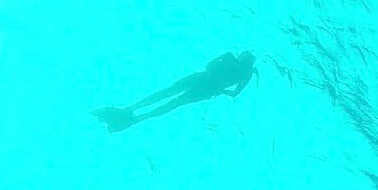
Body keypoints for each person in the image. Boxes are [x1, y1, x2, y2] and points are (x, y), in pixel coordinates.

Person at [91, 51, 257, 132]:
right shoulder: (245, 72)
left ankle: (131, 112)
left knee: (169, 95)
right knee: (172, 100)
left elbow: (210, 65)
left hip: (202, 80)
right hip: (207, 86)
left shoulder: (234, 61)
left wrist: (220, 87)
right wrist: (221, 90)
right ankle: (135, 116)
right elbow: (234, 93)